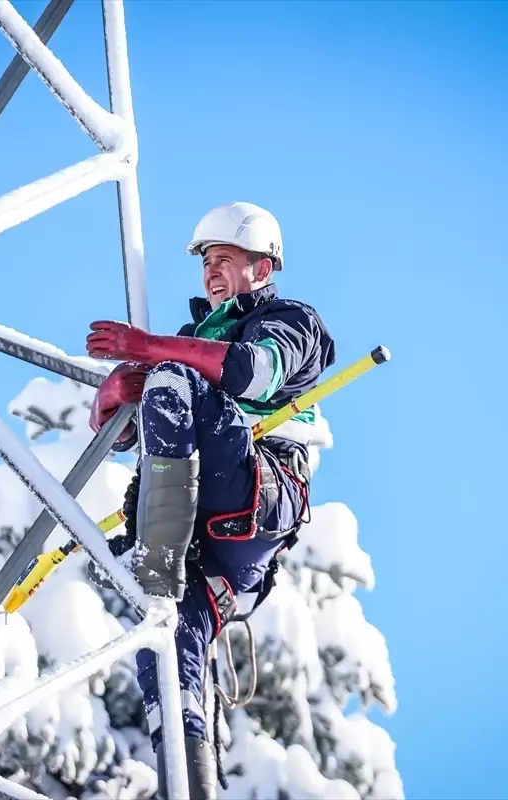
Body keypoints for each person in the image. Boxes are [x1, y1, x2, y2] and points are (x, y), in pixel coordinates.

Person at [85, 202, 335, 799]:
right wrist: (114, 397)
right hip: (199, 540)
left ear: (263, 265)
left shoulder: (289, 320)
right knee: (165, 645)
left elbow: (252, 375)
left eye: (224, 259)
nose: (211, 272)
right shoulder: (195, 339)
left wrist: (151, 350)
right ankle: (191, 779)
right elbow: (118, 436)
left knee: (172, 376)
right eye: (207, 262)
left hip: (251, 492)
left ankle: (157, 554)